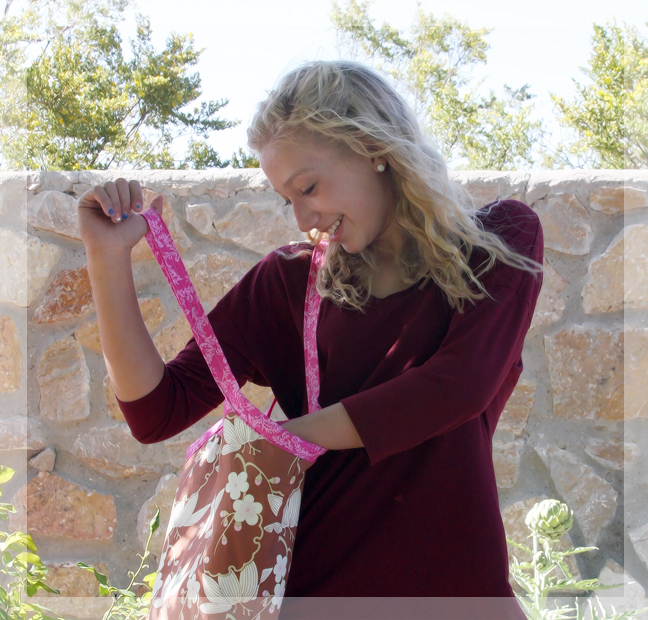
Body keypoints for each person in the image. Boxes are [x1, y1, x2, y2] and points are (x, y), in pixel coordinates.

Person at [77, 60, 543, 619]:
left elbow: (456, 387)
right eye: (286, 199)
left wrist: (278, 442)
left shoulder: (498, 244)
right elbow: (155, 411)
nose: (302, 219)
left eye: (309, 187)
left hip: (461, 597)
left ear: (373, 147)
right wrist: (106, 258)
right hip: (316, 597)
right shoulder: (288, 284)